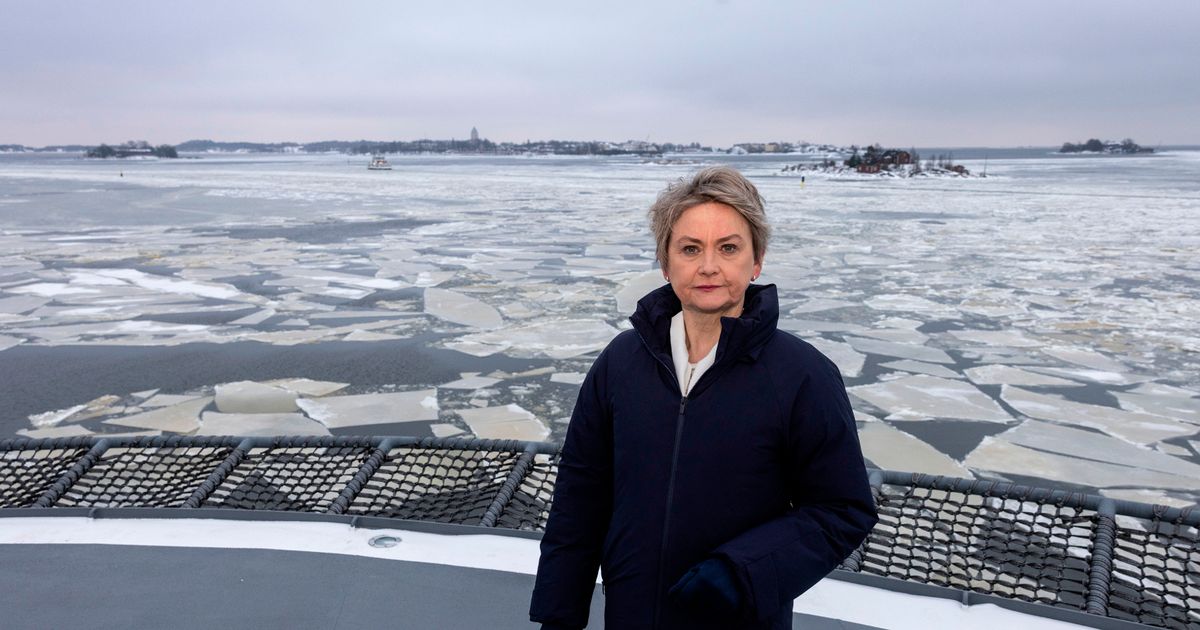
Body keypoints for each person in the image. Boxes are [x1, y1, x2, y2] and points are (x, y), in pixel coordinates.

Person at [529, 166, 877, 629]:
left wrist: (742, 572)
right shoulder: (621, 363)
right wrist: (558, 616)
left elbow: (843, 510)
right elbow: (580, 495)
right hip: (630, 614)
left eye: (728, 248)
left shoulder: (802, 375)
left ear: (756, 261)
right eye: (690, 248)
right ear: (666, 262)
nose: (708, 266)